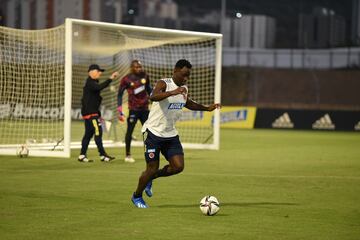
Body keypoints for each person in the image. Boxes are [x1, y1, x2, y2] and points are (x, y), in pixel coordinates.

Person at [131, 59, 221, 208]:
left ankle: (151, 178)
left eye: (188, 76)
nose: (186, 78)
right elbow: (152, 97)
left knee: (178, 167)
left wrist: (207, 108)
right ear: (176, 70)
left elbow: (188, 103)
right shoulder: (164, 83)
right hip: (153, 133)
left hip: (170, 135)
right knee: (151, 167)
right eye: (184, 74)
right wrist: (172, 92)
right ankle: (137, 196)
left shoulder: (184, 88)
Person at [78, 64, 119, 163]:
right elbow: (99, 87)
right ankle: (103, 155)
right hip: (92, 114)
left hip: (90, 114)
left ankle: (82, 155)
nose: (100, 73)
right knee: (98, 132)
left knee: (88, 134)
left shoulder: (92, 83)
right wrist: (110, 79)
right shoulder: (90, 83)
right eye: (98, 71)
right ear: (91, 72)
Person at [117, 60, 152, 163]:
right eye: (136, 67)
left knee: (149, 132)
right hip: (133, 109)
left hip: (145, 109)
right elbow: (119, 94)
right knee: (130, 132)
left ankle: (150, 153)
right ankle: (128, 155)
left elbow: (149, 89)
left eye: (140, 67)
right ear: (132, 68)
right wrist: (119, 110)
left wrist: (155, 97)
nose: (139, 69)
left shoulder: (145, 76)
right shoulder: (126, 79)